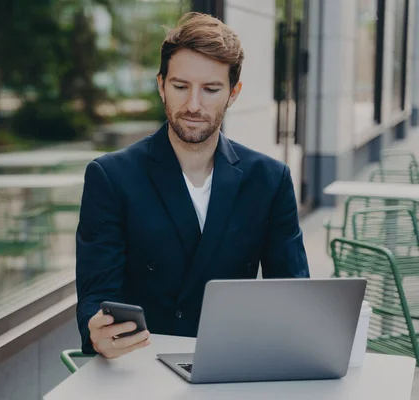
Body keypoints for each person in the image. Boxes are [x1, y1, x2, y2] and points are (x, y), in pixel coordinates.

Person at [75, 12, 310, 359]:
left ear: (233, 93)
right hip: (141, 369)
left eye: (211, 89)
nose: (193, 105)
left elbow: (294, 296)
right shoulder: (111, 177)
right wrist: (97, 332)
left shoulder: (269, 180)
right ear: (161, 85)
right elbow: (97, 296)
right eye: (180, 86)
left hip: (232, 365)